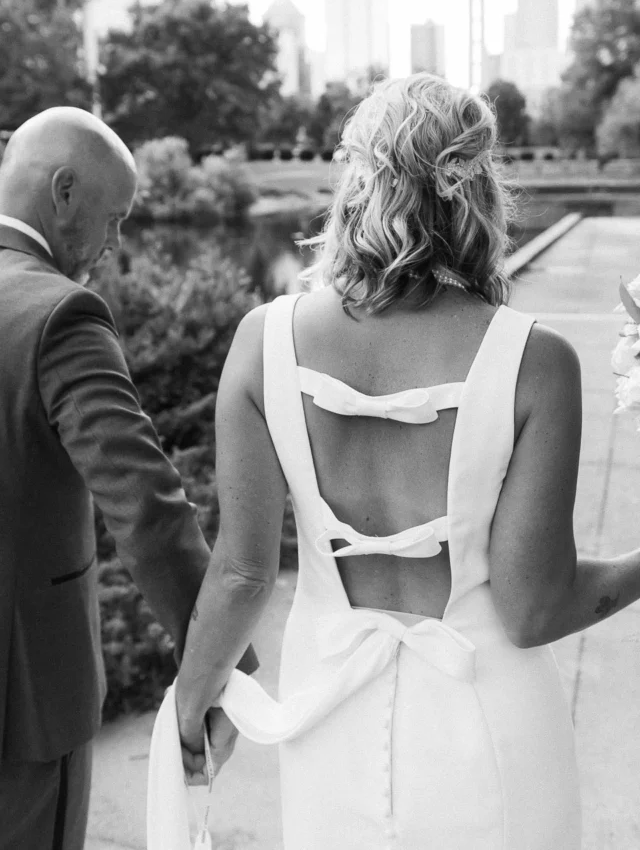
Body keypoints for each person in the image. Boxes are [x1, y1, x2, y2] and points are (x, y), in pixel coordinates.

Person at [172, 74, 640, 848]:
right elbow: (534, 608)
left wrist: (196, 698)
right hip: (492, 728)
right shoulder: (535, 361)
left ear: (355, 183)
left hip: (327, 722)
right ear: (478, 191)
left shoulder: (263, 341)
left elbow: (242, 573)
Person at [0, 107, 257, 850]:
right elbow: (146, 508)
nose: (115, 245)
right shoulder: (60, 316)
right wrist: (223, 666)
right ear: (64, 191)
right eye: (114, 220)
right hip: (25, 705)